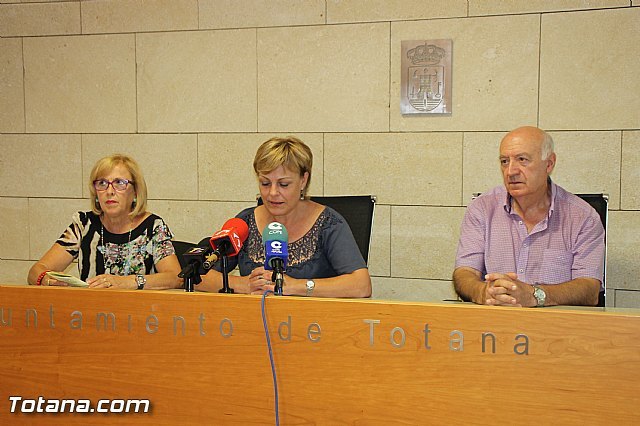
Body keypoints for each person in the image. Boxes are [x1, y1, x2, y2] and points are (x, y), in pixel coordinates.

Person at [197, 136, 371, 297]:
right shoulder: (245, 222)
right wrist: (243, 284)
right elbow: (198, 276)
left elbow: (361, 285)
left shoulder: (328, 223)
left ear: (303, 180)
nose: (273, 193)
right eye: (265, 183)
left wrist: (296, 286)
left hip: (313, 318)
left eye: (284, 184)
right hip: (254, 317)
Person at [453, 126, 604, 307]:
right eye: (504, 161)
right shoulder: (482, 208)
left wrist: (535, 295)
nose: (511, 171)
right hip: (494, 321)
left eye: (522, 160)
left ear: (549, 164)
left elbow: (589, 289)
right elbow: (464, 272)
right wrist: (483, 292)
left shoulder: (583, 217)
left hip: (554, 323)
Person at [27, 154, 182, 290]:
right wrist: (47, 280)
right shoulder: (84, 224)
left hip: (140, 312)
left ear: (135, 192)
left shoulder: (153, 226)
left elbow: (175, 277)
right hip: (90, 310)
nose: (109, 191)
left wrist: (128, 282)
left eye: (119, 183)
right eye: (102, 183)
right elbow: (35, 271)